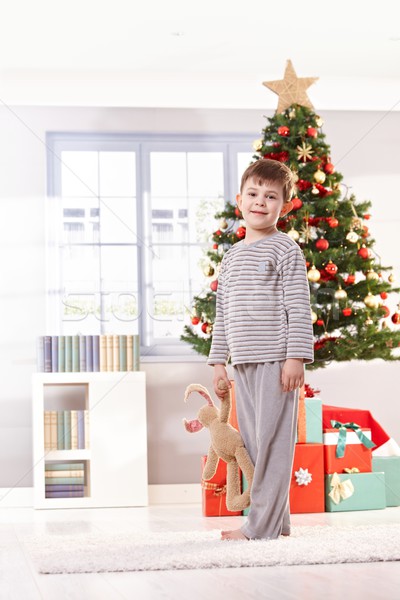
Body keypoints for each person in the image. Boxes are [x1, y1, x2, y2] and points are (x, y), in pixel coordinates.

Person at [208, 158, 314, 541]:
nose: (260, 202)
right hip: (243, 363)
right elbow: (222, 313)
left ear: (283, 206)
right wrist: (218, 361)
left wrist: (295, 357)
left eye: (271, 196)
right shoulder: (232, 256)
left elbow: (299, 308)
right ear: (240, 200)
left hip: (275, 361)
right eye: (253, 194)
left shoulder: (286, 250)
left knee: (271, 443)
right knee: (254, 445)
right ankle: (276, 521)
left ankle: (260, 527)